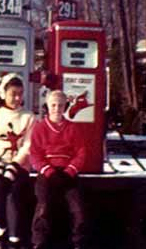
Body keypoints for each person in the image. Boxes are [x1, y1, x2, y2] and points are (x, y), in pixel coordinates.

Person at [0, 73, 36, 249]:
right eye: (13, 94)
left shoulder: (29, 117)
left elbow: (28, 145)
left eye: (20, 93)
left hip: (19, 164)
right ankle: (0, 229)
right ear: (3, 93)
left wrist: (15, 164)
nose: (17, 98)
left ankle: (14, 238)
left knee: (13, 191)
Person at [30, 90, 86, 249]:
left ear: (65, 107)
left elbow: (80, 152)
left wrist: (70, 171)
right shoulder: (40, 128)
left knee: (78, 208)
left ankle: (78, 242)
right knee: (43, 206)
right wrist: (49, 171)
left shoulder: (73, 128)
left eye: (60, 105)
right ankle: (38, 242)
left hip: (68, 173)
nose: (57, 108)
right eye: (53, 105)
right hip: (48, 173)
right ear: (47, 106)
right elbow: (35, 154)